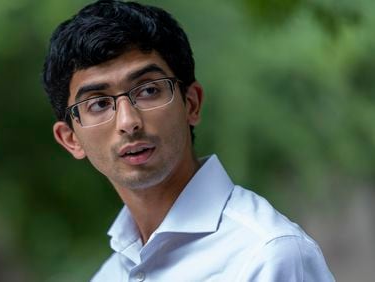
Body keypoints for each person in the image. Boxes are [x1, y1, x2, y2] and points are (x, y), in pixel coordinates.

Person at [42, 0, 335, 281]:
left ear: (191, 104)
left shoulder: (266, 254)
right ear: (70, 139)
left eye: (148, 91)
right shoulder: (110, 276)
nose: (128, 122)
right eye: (99, 104)